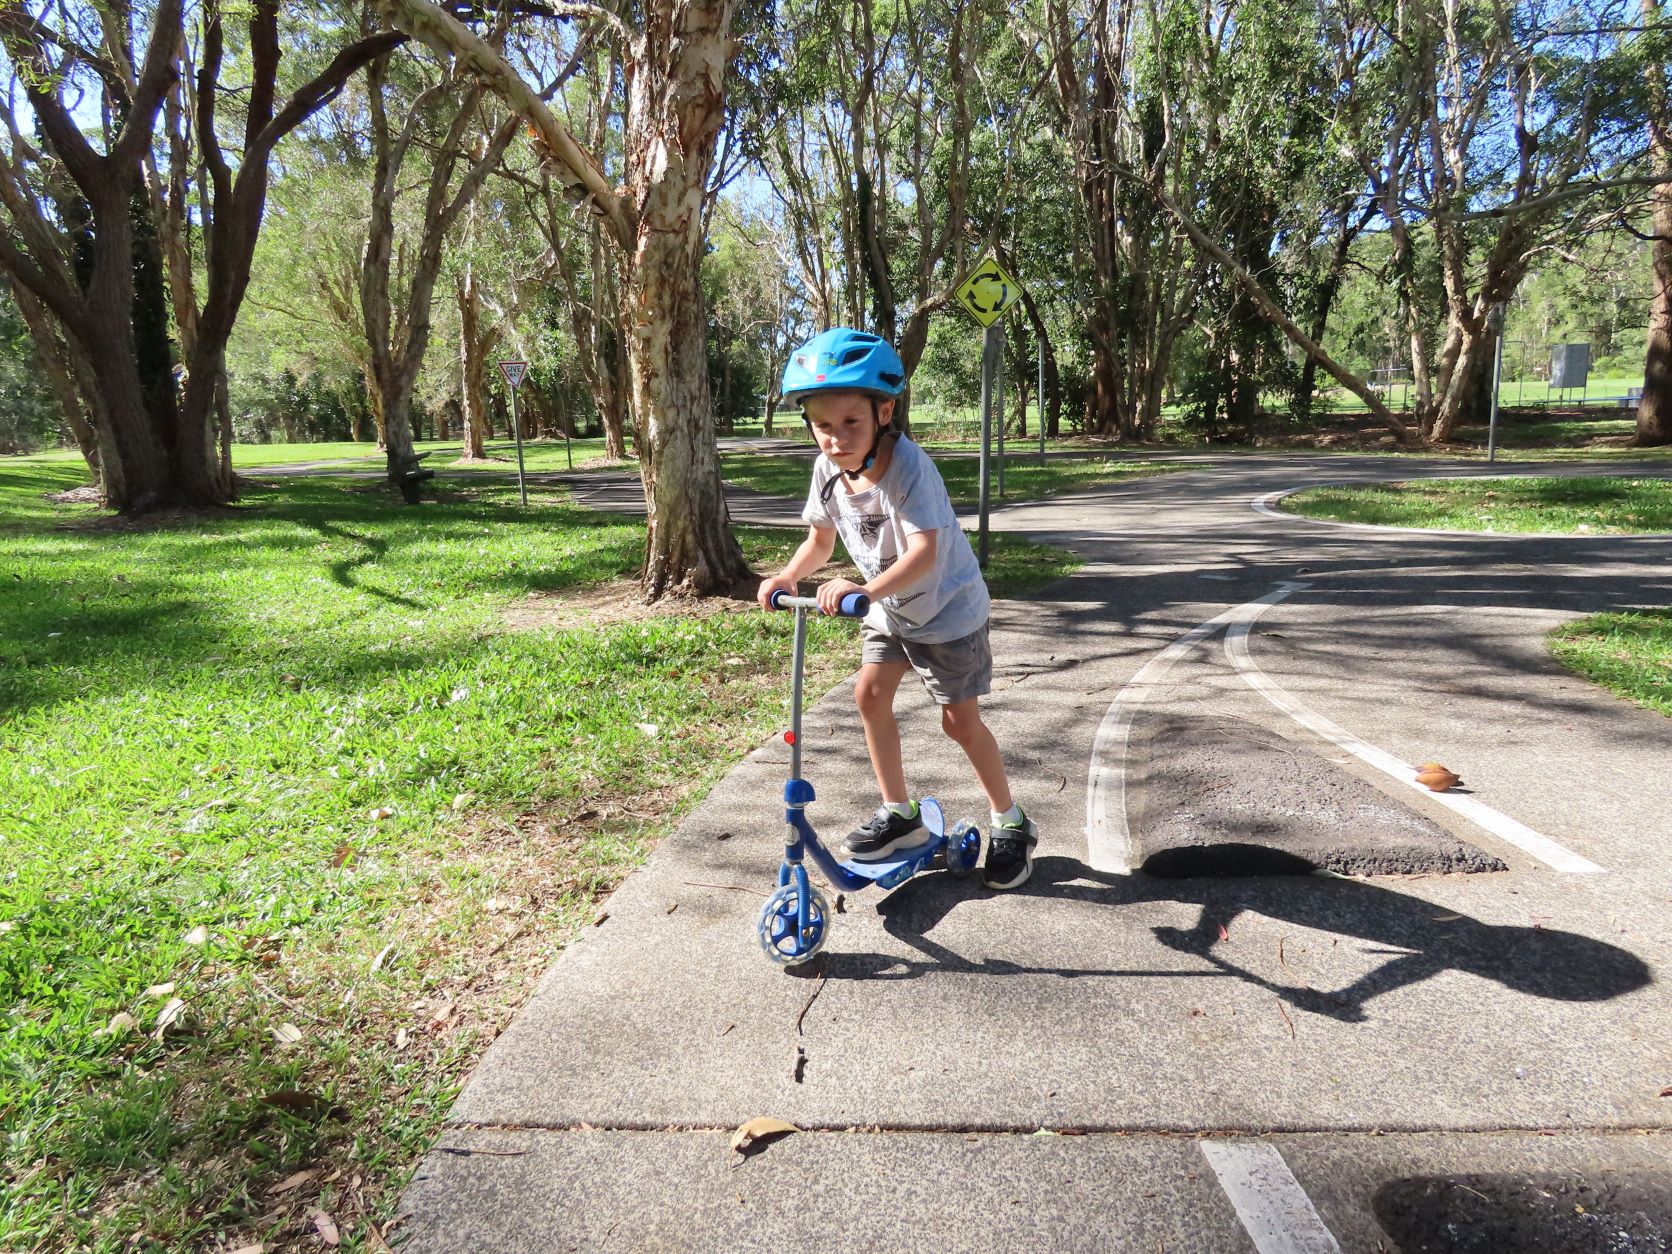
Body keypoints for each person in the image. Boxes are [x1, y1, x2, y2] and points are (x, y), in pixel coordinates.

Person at [755, 327, 1038, 890]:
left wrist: (864, 592)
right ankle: (901, 816)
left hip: (947, 610)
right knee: (869, 693)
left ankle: (1012, 821)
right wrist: (789, 574)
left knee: (959, 722)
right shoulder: (829, 471)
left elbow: (925, 554)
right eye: (823, 427)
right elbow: (821, 541)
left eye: (850, 423)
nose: (836, 438)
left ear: (884, 411)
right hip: (889, 608)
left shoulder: (909, 468)